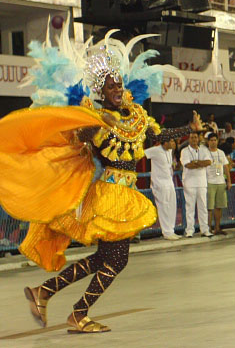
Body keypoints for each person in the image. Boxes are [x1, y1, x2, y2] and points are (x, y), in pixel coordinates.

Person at [0, 38, 201, 333]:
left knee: (104, 258)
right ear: (101, 92)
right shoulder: (96, 120)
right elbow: (77, 137)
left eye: (119, 84)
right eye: (111, 86)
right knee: (117, 260)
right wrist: (89, 124)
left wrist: (189, 129)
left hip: (125, 194)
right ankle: (78, 313)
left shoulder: (136, 117)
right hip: (109, 195)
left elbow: (154, 138)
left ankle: (44, 292)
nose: (118, 90)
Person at [145, 139, 180, 240]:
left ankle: (171, 230)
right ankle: (167, 232)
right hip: (159, 183)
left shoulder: (169, 151)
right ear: (165, 142)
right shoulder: (155, 150)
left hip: (169, 181)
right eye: (171, 141)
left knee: (172, 206)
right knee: (163, 207)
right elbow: (142, 154)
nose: (174, 144)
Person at [181, 132, 213, 238]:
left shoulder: (204, 149)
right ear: (189, 139)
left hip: (202, 182)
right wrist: (200, 163)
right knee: (190, 207)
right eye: (192, 138)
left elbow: (208, 162)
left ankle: (204, 229)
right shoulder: (184, 151)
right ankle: (190, 230)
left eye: (195, 137)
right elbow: (188, 165)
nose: (194, 139)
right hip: (189, 182)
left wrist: (196, 162)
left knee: (203, 207)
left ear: (198, 139)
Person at [204, 133, 231, 235]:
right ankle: (208, 228)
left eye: (215, 140)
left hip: (220, 182)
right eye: (211, 140)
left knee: (219, 206)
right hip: (209, 182)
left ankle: (217, 228)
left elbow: (226, 167)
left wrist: (228, 181)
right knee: (209, 207)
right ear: (208, 141)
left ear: (218, 141)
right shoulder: (205, 153)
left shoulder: (221, 153)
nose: (213, 142)